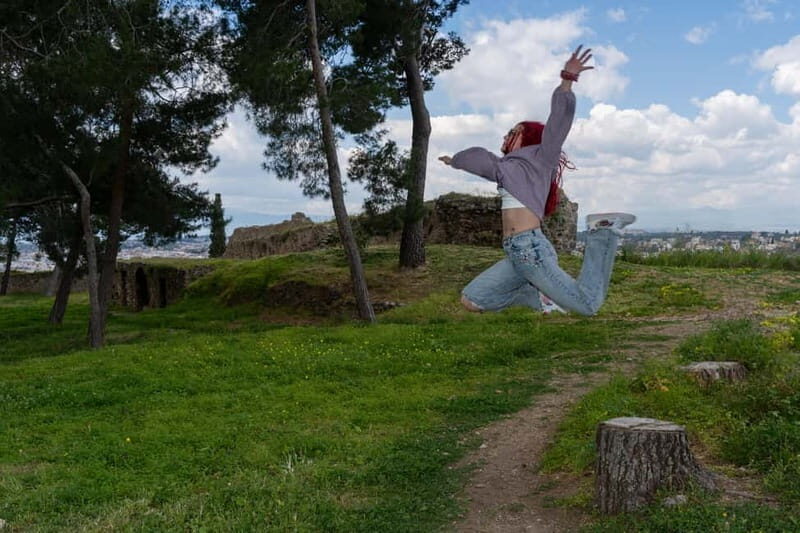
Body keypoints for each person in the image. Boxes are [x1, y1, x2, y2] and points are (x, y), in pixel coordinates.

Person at [438, 45, 636, 317]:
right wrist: (455, 161)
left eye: (514, 131)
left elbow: (558, 122)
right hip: (515, 250)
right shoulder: (505, 168)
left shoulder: (542, 157)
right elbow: (481, 161)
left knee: (587, 305)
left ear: (528, 137)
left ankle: (603, 230)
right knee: (473, 300)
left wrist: (567, 79)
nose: (507, 135)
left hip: (531, 249)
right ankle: (542, 298)